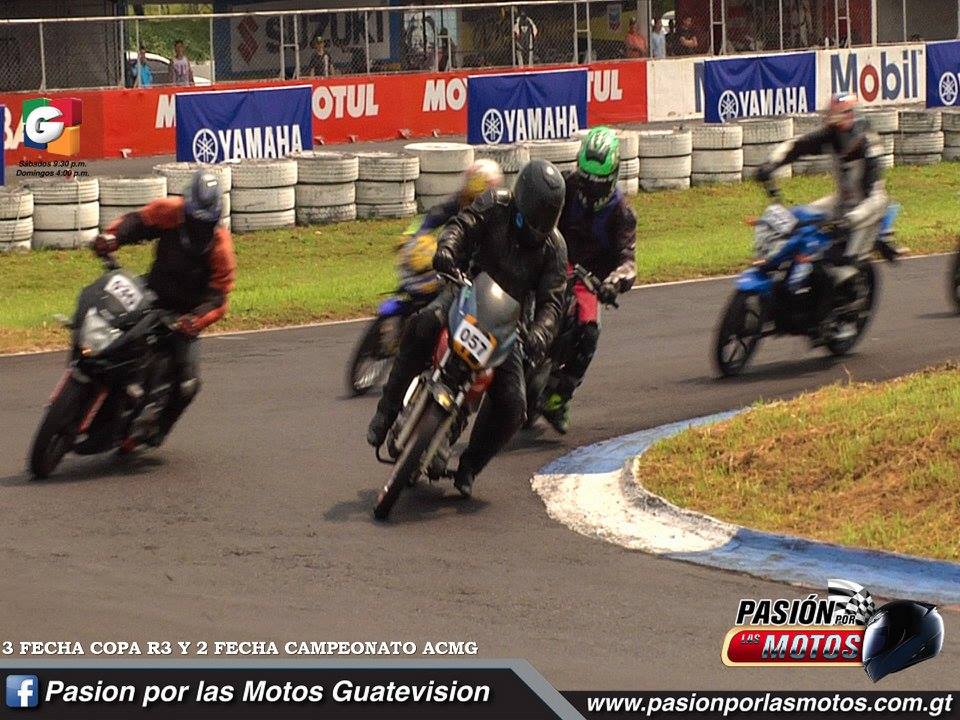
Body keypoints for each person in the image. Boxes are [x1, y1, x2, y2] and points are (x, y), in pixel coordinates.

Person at [367, 159, 568, 497]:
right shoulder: (495, 204)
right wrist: (447, 251)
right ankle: (386, 411)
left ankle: (470, 466)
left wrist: (539, 334)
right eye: (531, 218)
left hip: (507, 325)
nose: (535, 228)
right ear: (520, 199)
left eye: (543, 221)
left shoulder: (555, 250)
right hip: (466, 292)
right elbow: (462, 225)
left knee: (514, 405)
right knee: (422, 324)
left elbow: (552, 303)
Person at [93, 171, 236, 450]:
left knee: (188, 384)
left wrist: (195, 320)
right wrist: (111, 238)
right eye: (194, 218)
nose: (198, 226)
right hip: (150, 293)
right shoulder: (170, 211)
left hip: (185, 315)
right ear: (187, 206)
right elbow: (137, 222)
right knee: (107, 320)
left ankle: (156, 429)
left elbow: (219, 297)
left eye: (204, 221)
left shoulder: (221, 246)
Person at [756, 93, 902, 340]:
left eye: (838, 119)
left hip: (867, 211)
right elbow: (797, 146)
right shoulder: (832, 135)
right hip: (840, 203)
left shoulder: (869, 146)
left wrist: (850, 220)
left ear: (851, 117)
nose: (833, 129)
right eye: (831, 120)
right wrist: (771, 165)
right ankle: (787, 287)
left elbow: (876, 196)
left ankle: (831, 320)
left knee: (835, 265)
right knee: (798, 222)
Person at [540, 127, 636, 434]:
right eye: (586, 179)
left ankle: (559, 397)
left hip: (588, 278)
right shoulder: (564, 186)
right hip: (552, 262)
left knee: (590, 332)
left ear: (613, 176)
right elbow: (538, 213)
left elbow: (628, 260)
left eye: (599, 182)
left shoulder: (621, 212)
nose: (591, 188)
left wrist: (614, 282)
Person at [398, 159, 505, 301]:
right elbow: (433, 216)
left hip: (487, 273)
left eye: (480, 184)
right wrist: (411, 234)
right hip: (455, 263)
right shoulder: (458, 202)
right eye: (474, 183)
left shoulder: (501, 212)